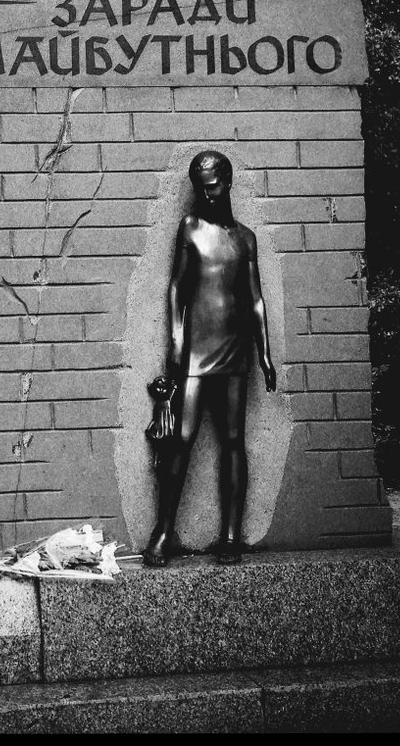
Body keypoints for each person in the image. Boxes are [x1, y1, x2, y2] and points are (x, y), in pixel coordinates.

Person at [143, 150, 276, 566]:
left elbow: (255, 299)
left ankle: (231, 535)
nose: (207, 193)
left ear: (228, 181)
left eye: (213, 185)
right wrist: (176, 340)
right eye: (200, 187)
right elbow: (176, 287)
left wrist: (265, 352)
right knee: (181, 439)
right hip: (196, 352)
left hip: (236, 349)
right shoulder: (190, 228)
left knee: (233, 440)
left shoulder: (245, 238)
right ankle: (164, 532)